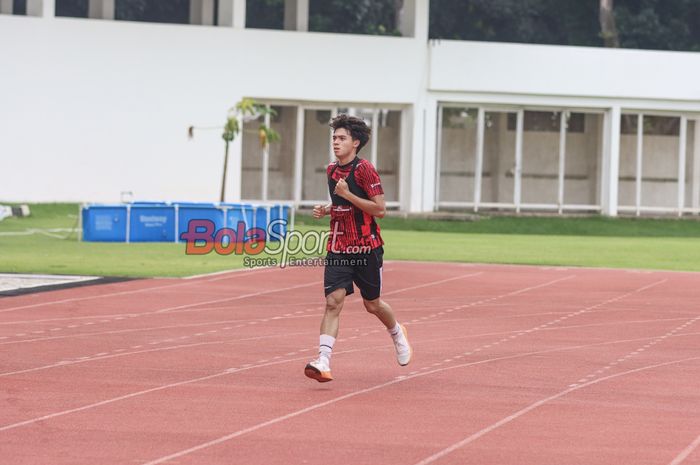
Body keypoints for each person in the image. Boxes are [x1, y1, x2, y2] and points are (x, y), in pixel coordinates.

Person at [304, 114, 412, 383]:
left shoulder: (365, 170)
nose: (336, 142)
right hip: (339, 245)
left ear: (356, 143)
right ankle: (323, 361)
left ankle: (398, 333)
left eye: (341, 138)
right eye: (334, 138)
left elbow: (380, 210)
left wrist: (347, 195)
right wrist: (327, 208)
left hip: (367, 247)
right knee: (333, 302)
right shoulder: (331, 171)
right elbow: (343, 204)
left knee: (372, 304)